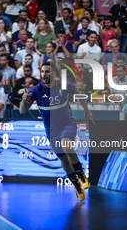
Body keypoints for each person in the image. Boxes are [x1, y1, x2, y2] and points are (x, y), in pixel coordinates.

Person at [20, 61, 93, 201]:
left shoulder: (64, 85)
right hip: (52, 131)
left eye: (47, 72)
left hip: (67, 123)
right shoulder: (35, 90)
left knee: (67, 147)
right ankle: (76, 184)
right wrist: (24, 101)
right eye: (42, 72)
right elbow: (23, 110)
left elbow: (78, 94)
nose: (44, 74)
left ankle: (81, 174)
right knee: (64, 160)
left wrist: (87, 111)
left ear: (53, 73)